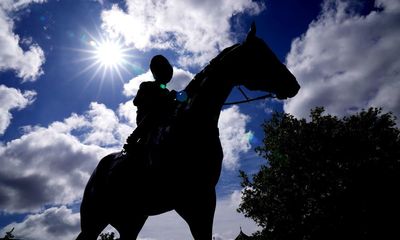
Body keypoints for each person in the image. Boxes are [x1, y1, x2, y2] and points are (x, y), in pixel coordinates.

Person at [123, 55, 176, 154]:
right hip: (146, 117)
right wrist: (156, 99)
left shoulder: (167, 92)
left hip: (163, 118)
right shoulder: (146, 85)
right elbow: (136, 102)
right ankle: (133, 139)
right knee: (155, 112)